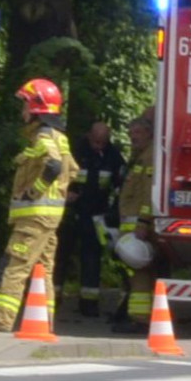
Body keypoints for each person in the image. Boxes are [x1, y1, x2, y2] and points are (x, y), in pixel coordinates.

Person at [0, 78, 79, 333]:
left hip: (34, 217)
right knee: (43, 270)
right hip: (47, 219)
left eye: (25, 106)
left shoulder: (43, 136)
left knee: (14, 265)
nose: (22, 112)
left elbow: (54, 166)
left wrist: (33, 192)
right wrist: (57, 194)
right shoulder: (59, 137)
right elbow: (72, 170)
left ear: (37, 108)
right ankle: (43, 323)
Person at [55, 121, 125, 317]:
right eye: (96, 142)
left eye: (103, 142)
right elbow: (57, 176)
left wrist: (112, 210)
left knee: (92, 258)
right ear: (88, 136)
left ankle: (89, 303)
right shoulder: (75, 151)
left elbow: (121, 184)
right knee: (60, 255)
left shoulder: (113, 156)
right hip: (69, 213)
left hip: (96, 215)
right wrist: (66, 193)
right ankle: (52, 298)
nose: (99, 146)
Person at [111, 115, 156, 334]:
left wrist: (143, 221)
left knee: (140, 274)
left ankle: (140, 319)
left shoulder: (149, 158)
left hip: (138, 225)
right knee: (134, 274)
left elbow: (149, 194)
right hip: (131, 223)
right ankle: (134, 315)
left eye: (137, 133)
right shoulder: (139, 156)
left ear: (149, 133)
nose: (132, 137)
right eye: (130, 133)